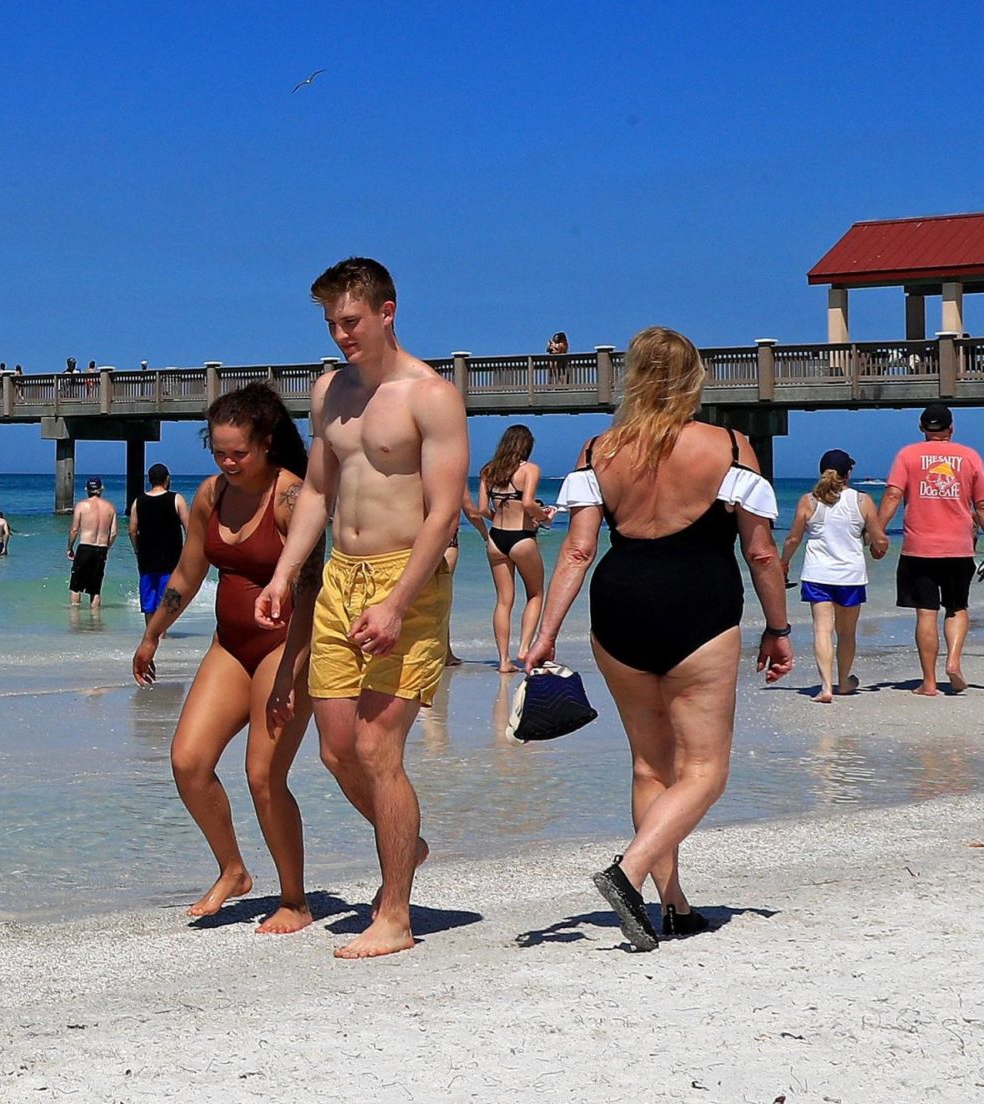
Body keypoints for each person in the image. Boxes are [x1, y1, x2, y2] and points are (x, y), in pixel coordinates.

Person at [526, 326, 792, 951]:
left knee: (651, 764)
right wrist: (778, 628)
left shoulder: (599, 449)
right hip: (698, 607)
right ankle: (629, 871)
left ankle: (673, 907)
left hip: (617, 608)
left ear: (633, 377)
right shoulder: (728, 447)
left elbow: (578, 550)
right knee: (705, 771)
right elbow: (758, 553)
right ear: (694, 377)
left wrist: (545, 635)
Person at [254, 257, 466, 959]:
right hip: (341, 576)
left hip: (407, 579)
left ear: (386, 311)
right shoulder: (330, 392)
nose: (341, 333)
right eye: (331, 323)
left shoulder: (430, 396)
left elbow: (442, 515)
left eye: (350, 320)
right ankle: (408, 842)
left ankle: (396, 915)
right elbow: (317, 490)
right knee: (337, 748)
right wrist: (284, 576)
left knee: (379, 747)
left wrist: (400, 603)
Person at [132, 385, 322, 931]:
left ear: (266, 442)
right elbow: (189, 573)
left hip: (286, 647)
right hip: (229, 645)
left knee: (263, 776)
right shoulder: (211, 495)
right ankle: (234, 870)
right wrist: (153, 633)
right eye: (218, 451)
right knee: (188, 762)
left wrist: (291, 672)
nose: (228, 462)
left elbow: (310, 594)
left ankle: (294, 900)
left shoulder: (292, 500)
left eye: (238, 452)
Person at [878, 404, 984, 697]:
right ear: (951, 428)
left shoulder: (906, 455)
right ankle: (954, 662)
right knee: (957, 607)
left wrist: (877, 532)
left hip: (918, 548)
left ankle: (929, 682)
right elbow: (982, 505)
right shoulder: (970, 457)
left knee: (926, 613)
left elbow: (894, 494)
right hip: (958, 548)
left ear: (921, 427)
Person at [779, 449, 887, 703]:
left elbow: (793, 538)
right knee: (846, 633)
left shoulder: (808, 501)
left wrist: (784, 562)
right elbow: (880, 539)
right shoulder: (862, 501)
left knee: (822, 631)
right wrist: (877, 549)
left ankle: (826, 687)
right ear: (848, 473)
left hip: (818, 574)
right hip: (850, 577)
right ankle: (844, 681)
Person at [465, 424, 548, 673]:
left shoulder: (488, 471)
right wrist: (543, 516)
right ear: (526, 446)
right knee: (535, 594)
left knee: (503, 600)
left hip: (496, 539)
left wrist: (499, 516)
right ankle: (523, 649)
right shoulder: (530, 469)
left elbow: (480, 510)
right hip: (521, 538)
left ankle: (503, 661)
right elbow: (528, 502)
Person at [127, 463, 187, 618]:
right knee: (167, 599)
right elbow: (190, 529)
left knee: (148, 601)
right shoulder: (176, 499)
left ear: (150, 480)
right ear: (167, 479)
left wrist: (137, 549)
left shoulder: (138, 502)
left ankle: (150, 633)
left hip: (146, 557)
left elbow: (132, 531)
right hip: (171, 558)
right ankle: (162, 634)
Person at [66, 477, 115, 616]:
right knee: (95, 589)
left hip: (85, 547)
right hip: (101, 548)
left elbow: (74, 529)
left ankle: (75, 618)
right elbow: (114, 533)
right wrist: (106, 547)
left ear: (87, 489)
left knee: (76, 587)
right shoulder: (110, 507)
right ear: (101, 489)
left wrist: (70, 547)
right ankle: (95, 620)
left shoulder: (81, 506)